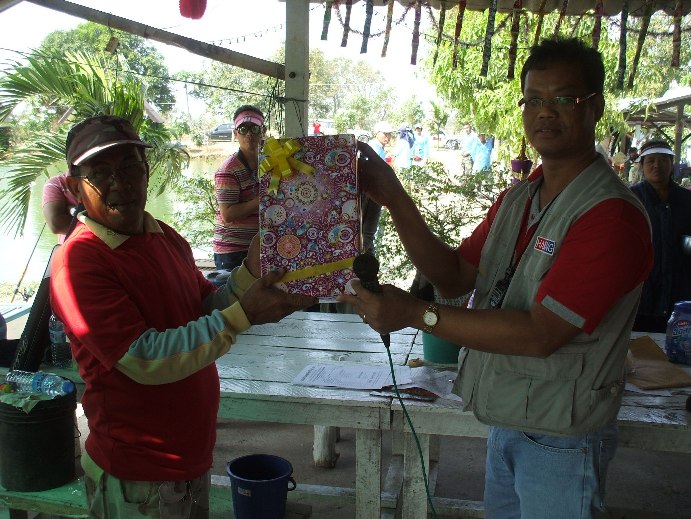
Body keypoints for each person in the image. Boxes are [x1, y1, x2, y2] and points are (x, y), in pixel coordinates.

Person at [341, 37, 652, 519]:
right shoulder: (520, 199)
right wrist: (394, 198)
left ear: (595, 107)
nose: (544, 112)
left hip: (561, 437)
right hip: (509, 415)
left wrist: (411, 313)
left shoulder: (610, 215)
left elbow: (541, 333)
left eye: (563, 98)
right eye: (533, 99)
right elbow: (453, 276)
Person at [49, 115, 317, 518]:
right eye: (100, 173)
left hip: (189, 460)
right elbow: (144, 357)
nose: (119, 183)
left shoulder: (165, 236)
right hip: (135, 475)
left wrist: (252, 270)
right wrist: (243, 315)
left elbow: (206, 307)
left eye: (129, 168)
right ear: (73, 188)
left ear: (146, 172)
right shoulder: (79, 261)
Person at [631, 139, 691, 333]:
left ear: (672, 164)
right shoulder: (630, 199)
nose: (657, 165)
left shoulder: (687, 200)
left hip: (681, 298)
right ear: (641, 165)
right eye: (651, 160)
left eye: (664, 160)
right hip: (641, 297)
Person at [212, 105, 265, 271]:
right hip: (233, 250)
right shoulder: (228, 169)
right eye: (243, 129)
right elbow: (228, 214)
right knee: (237, 297)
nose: (249, 134)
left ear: (263, 131)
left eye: (254, 128)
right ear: (235, 133)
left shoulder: (271, 162)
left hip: (260, 247)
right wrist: (263, 199)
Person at [42, 171, 80, 242]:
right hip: (72, 246)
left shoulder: (104, 181)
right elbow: (56, 224)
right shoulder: (56, 183)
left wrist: (71, 211)